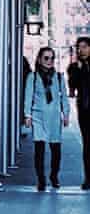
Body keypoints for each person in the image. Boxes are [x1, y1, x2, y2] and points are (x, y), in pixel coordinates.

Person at [24, 47, 69, 191]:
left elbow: (64, 98)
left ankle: (54, 176)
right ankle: (41, 179)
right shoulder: (33, 77)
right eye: (46, 58)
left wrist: (66, 114)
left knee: (56, 149)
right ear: (39, 59)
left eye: (51, 58)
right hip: (38, 117)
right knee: (39, 150)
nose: (49, 61)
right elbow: (28, 96)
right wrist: (27, 115)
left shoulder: (59, 77)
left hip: (54, 117)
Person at [68, 36, 90, 190]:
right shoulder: (75, 67)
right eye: (78, 47)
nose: (80, 50)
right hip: (85, 109)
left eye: (84, 47)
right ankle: (88, 178)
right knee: (87, 144)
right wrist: (79, 69)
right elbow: (72, 87)